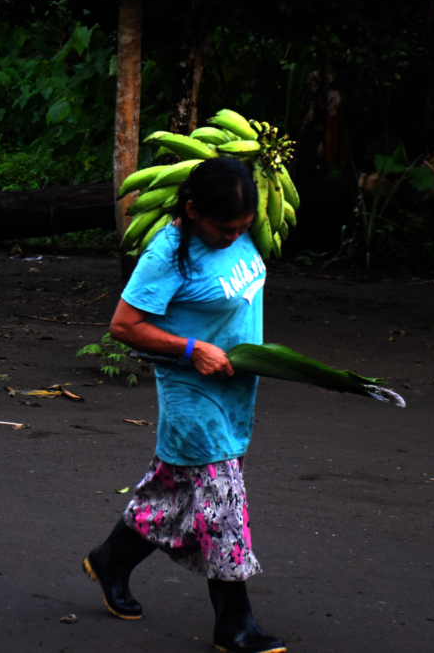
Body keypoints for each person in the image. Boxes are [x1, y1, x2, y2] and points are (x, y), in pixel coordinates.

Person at [82, 157, 285, 653]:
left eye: (243, 227)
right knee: (222, 505)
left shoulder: (239, 234)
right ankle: (234, 623)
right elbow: (125, 326)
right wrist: (192, 350)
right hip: (192, 396)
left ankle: (112, 559)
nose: (233, 237)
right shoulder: (169, 253)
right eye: (223, 227)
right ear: (192, 210)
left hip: (234, 392)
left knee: (172, 497)